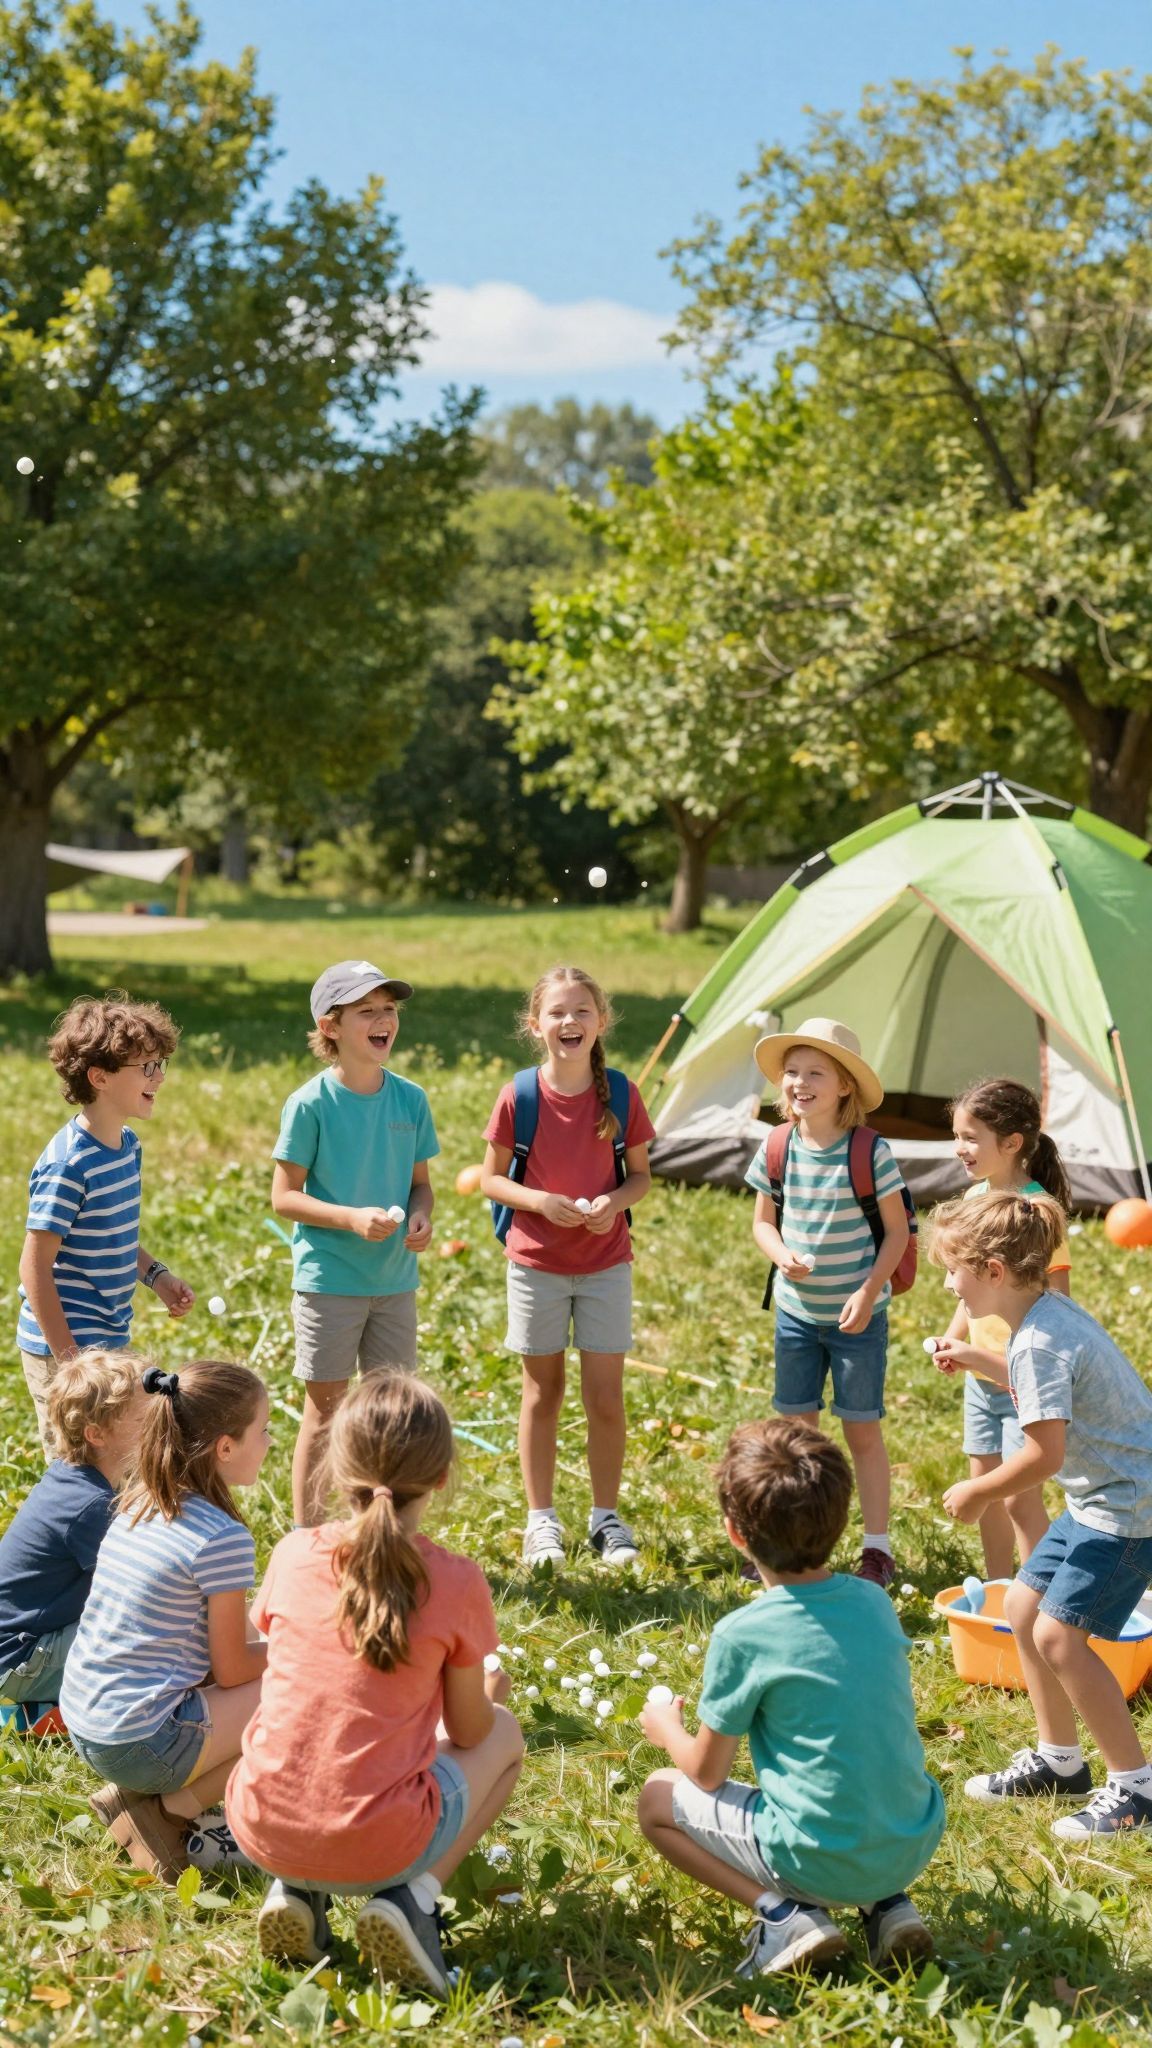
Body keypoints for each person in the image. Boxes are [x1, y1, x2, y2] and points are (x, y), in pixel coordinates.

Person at [226, 1372, 524, 1991]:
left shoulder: (292, 1552)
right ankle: (413, 1898)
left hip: (259, 1822)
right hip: (378, 1842)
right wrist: (490, 1703)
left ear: (336, 1471)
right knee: (504, 1739)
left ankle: (298, 1890)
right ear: (441, 1478)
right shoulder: (456, 1581)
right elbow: (468, 1732)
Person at [637, 1417, 944, 1977]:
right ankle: (888, 1905)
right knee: (849, 1777)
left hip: (815, 1857)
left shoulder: (744, 1634)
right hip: (910, 1840)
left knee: (657, 1800)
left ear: (734, 1531)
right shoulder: (875, 1603)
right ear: (841, 1516)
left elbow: (705, 1774)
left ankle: (784, 1914)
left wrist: (666, 1729)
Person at [933, 1191, 1152, 1836]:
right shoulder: (1045, 1317)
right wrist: (977, 1357)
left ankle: (1137, 1788)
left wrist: (980, 1492)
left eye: (955, 1270)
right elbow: (1044, 1387)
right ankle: (1060, 1763)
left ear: (993, 1273)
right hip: (1099, 1498)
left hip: (1127, 1508)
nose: (949, 1283)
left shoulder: (1041, 1343)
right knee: (1023, 1611)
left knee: (1061, 1638)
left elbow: (1044, 1454)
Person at [60, 1358, 270, 1880]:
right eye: (263, 1431)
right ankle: (168, 1813)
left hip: (87, 1722)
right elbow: (233, 1670)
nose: (269, 1441)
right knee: (308, 1694)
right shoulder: (221, 1538)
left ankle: (138, 1795)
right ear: (225, 1447)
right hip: (139, 1740)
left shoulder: (139, 1501)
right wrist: (304, 1646)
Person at [480, 965, 653, 1567]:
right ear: (536, 1026)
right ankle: (541, 1520)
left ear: (601, 1022)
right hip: (535, 1265)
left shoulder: (623, 1094)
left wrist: (613, 1203)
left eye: (582, 1011)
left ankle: (606, 1517)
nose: (569, 1022)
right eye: (556, 1012)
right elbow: (490, 1179)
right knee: (542, 1392)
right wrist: (540, 1202)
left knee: (605, 1398)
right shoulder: (519, 1095)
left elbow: (640, 1179)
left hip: (606, 1264)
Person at [272, 960, 439, 1526]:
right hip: (331, 1281)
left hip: (394, 1282)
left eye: (389, 1009)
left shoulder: (410, 1100)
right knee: (325, 1414)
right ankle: (308, 1537)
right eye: (367, 1010)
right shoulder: (311, 1104)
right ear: (330, 1025)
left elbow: (421, 1186)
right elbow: (284, 1198)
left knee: (392, 1415)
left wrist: (420, 1219)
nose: (383, 1020)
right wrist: (350, 1219)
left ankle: (383, 1529)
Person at [747, 1019, 910, 1585]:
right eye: (792, 1072)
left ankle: (876, 1546)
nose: (799, 1082)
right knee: (796, 1435)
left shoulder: (870, 1152)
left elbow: (896, 1233)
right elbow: (763, 1224)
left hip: (857, 1317)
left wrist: (868, 1293)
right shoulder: (776, 1146)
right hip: (795, 1314)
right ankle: (796, 1540)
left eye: (815, 1072)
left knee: (861, 1430)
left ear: (845, 1087)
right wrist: (781, 1252)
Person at [17, 995, 194, 1457]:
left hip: (109, 1341)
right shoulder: (69, 1166)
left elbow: (115, 1236)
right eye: (146, 1067)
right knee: (76, 1468)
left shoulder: (126, 1146)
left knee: (117, 1459)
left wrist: (157, 1276)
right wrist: (70, 1362)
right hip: (66, 1348)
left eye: (161, 1064)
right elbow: (34, 1268)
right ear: (99, 1077)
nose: (159, 1077)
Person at [928, 1079, 1072, 1578]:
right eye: (957, 1135)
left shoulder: (1036, 1213)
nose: (959, 1148)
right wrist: (955, 1338)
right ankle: (998, 1591)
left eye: (971, 1137)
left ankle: (1035, 1603)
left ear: (1011, 1143)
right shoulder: (975, 1198)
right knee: (986, 1494)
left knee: (1017, 1503)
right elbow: (968, 1286)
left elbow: (1058, 1305)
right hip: (979, 1381)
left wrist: (1008, 1363)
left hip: (1021, 1380)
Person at [0, 1350, 147, 1734]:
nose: (158, 1424)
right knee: (158, 1639)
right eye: (144, 1418)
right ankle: (48, 1713)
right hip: (20, 1660)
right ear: (96, 1435)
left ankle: (47, 1707)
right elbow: (146, 1587)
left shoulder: (75, 1478)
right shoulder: (90, 1507)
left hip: (20, 1647)